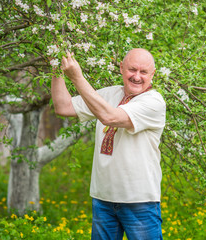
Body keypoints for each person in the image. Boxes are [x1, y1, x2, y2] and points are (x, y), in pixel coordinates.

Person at [51, 48, 166, 240]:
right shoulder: (109, 94)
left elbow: (109, 116)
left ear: (153, 74)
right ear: (121, 68)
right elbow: (63, 106)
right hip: (103, 198)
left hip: (139, 201)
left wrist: (77, 77)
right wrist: (56, 67)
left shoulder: (154, 102)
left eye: (144, 72)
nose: (137, 77)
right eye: (132, 69)